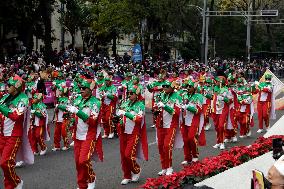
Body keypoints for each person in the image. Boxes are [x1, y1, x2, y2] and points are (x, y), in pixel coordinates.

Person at [66, 77, 103, 189]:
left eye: (83, 88)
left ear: (90, 89)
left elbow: (92, 121)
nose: (80, 90)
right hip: (77, 135)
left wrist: (77, 111)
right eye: (80, 88)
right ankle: (82, 185)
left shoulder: (96, 103)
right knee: (78, 162)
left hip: (89, 135)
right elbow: (74, 118)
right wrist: (70, 121)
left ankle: (91, 178)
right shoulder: (77, 100)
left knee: (83, 160)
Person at [0, 75, 34, 189]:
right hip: (2, 134)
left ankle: (17, 182)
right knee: (5, 164)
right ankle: (9, 186)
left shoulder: (23, 99)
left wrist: (2, 108)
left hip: (14, 135)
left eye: (10, 85)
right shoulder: (5, 97)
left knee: (5, 163)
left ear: (16, 86)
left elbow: (16, 116)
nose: (7, 87)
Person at [116, 85, 148, 185]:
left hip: (134, 133)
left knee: (128, 155)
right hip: (123, 132)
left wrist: (126, 114)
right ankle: (127, 175)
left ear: (136, 94)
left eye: (131, 93)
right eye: (128, 93)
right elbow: (120, 117)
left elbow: (138, 119)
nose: (129, 95)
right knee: (123, 156)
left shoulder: (140, 105)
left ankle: (136, 170)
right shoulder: (125, 103)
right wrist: (118, 119)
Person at [154, 79, 182, 176]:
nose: (165, 88)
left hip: (170, 125)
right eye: (164, 86)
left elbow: (177, 112)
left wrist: (165, 106)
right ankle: (164, 167)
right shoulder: (161, 95)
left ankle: (169, 167)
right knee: (160, 147)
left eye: (167, 86)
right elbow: (156, 107)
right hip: (160, 124)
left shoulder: (177, 96)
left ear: (172, 87)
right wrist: (156, 108)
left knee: (167, 146)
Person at [180, 80, 204, 165]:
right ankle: (187, 158)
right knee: (185, 140)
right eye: (187, 86)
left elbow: (198, 110)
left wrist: (188, 107)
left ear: (194, 87)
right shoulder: (184, 95)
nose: (188, 88)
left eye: (190, 86)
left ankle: (195, 155)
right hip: (184, 120)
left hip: (194, 120)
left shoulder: (199, 96)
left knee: (191, 138)